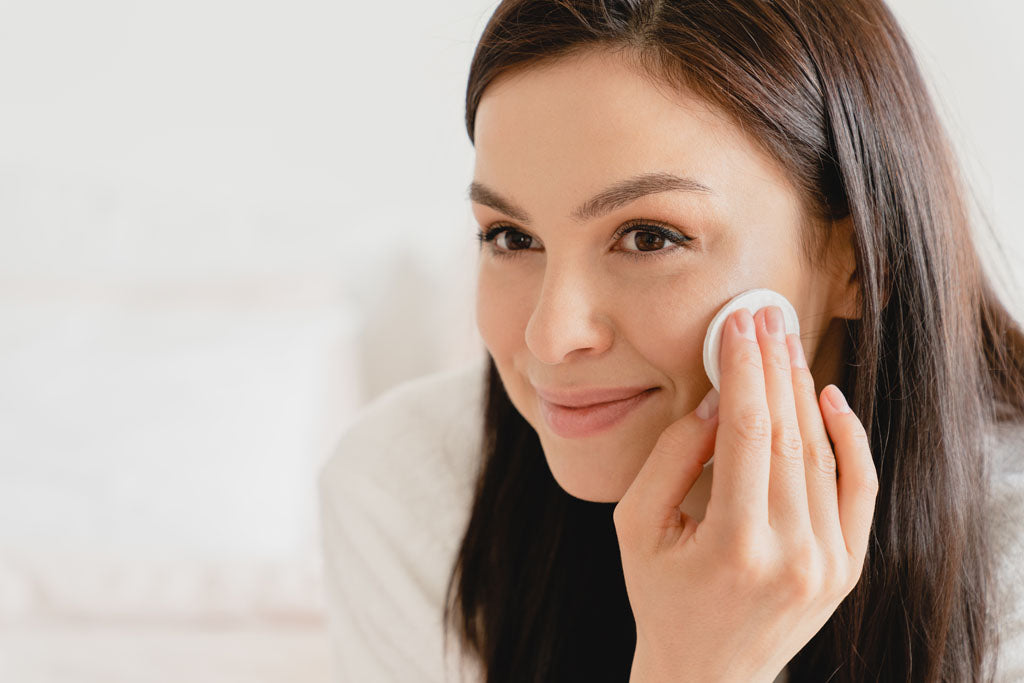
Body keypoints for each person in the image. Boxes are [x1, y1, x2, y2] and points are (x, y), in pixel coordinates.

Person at [319, 0, 1024, 681]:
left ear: (860, 259)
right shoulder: (406, 490)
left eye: (649, 237)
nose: (551, 335)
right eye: (511, 236)